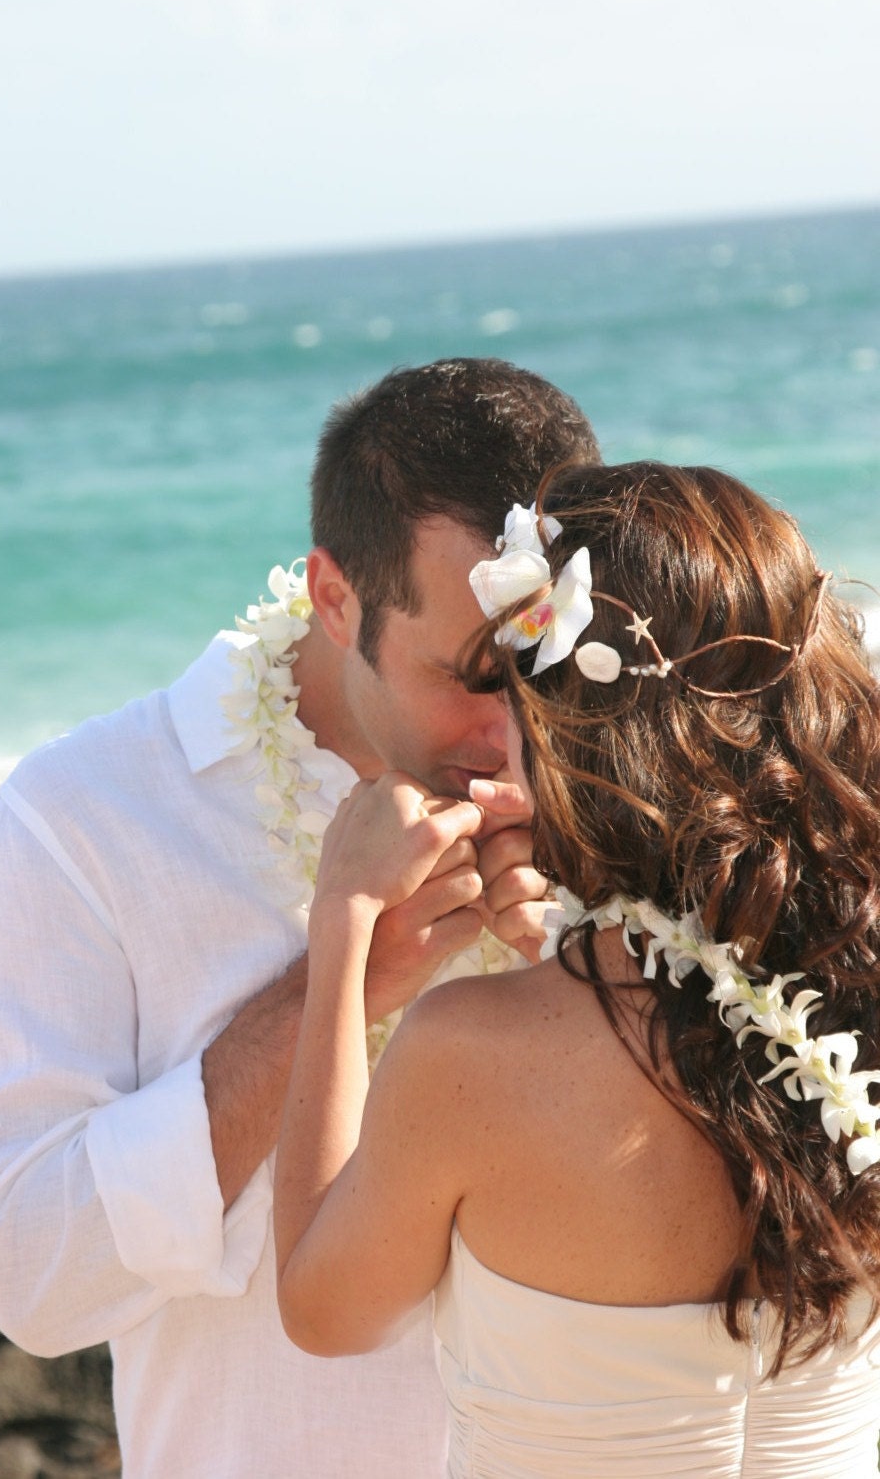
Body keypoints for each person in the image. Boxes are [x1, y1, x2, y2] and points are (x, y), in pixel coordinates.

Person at [0, 358, 601, 1478]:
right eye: (470, 677)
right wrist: (338, 983)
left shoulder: (634, 772)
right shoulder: (83, 816)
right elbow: (32, 1275)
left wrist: (601, 972)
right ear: (334, 596)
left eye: (536, 667)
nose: (512, 734)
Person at [274, 460, 880, 1478]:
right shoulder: (857, 989)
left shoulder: (470, 1051)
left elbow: (323, 1311)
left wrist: (343, 923)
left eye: (501, 686)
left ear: (562, 727)